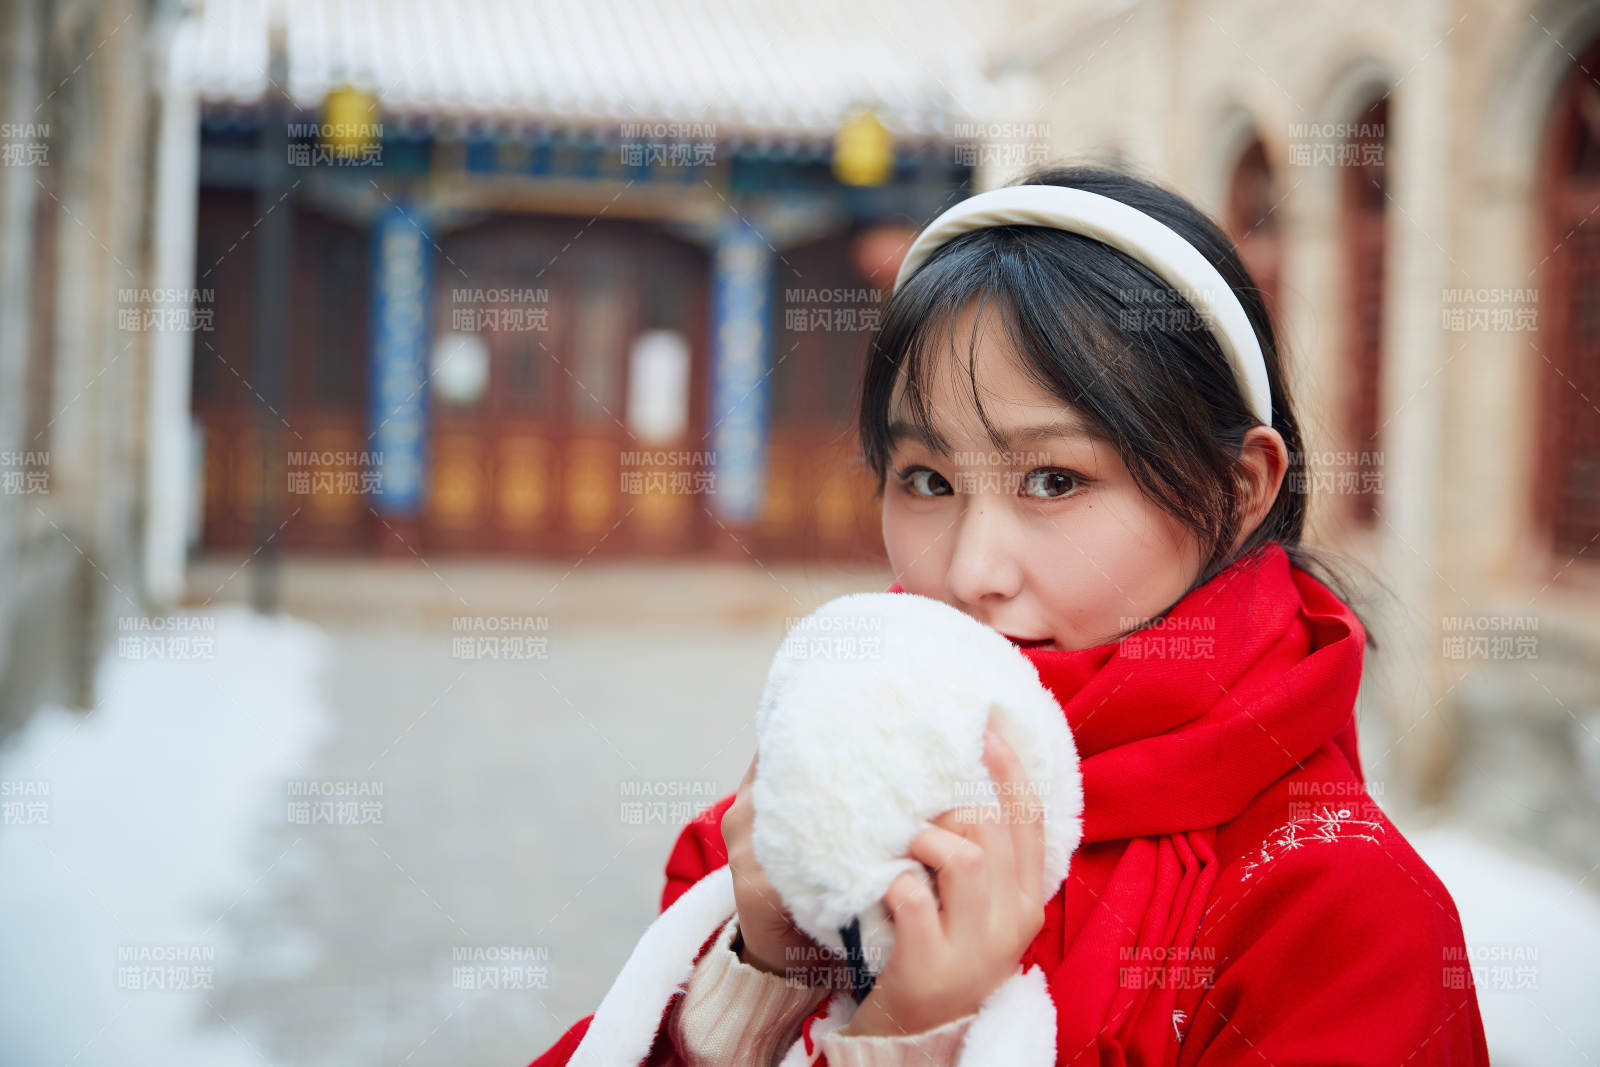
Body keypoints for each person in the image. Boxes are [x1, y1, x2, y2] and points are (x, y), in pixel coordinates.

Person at [528, 163, 1491, 1066]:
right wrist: (755, 981)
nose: (971, 569)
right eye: (928, 479)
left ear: (1239, 490)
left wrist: (915, 1039)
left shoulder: (1336, 914)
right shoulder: (794, 824)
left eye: (1054, 478)